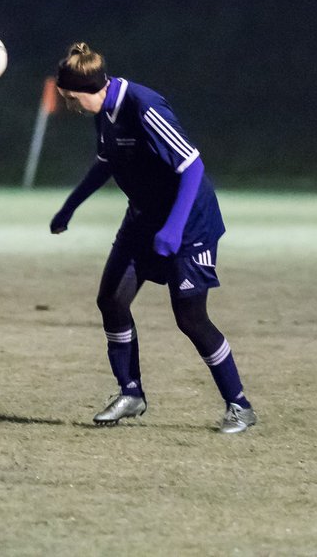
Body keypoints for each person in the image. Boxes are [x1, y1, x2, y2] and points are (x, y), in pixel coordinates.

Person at [49, 42, 257, 434]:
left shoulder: (143, 107)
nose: (70, 104)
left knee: (191, 318)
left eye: (72, 97)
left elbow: (192, 167)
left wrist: (174, 228)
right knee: (111, 299)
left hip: (189, 221)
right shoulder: (104, 111)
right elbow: (106, 163)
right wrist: (69, 207)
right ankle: (131, 393)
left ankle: (239, 405)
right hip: (144, 218)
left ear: (91, 88)